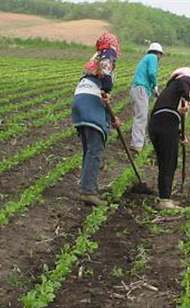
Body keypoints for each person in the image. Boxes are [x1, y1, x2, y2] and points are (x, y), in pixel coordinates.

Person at [72, 32, 122, 206]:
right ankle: (88, 191)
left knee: (89, 149)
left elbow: (101, 93)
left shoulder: (93, 60)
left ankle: (88, 185)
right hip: (90, 101)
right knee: (95, 149)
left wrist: (110, 118)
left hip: (80, 99)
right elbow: (105, 76)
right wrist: (107, 87)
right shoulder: (107, 52)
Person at [149, 67, 190, 210]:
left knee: (164, 162)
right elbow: (185, 84)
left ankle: (163, 197)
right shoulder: (184, 79)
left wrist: (180, 135)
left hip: (156, 124)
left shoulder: (169, 91)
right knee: (169, 162)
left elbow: (168, 116)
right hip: (166, 123)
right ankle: (165, 200)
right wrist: (187, 97)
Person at [130, 42, 164, 153]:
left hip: (138, 88)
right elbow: (151, 74)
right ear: (158, 53)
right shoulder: (153, 57)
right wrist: (155, 85)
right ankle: (137, 145)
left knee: (141, 115)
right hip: (141, 88)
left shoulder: (146, 57)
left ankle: (141, 142)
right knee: (141, 117)